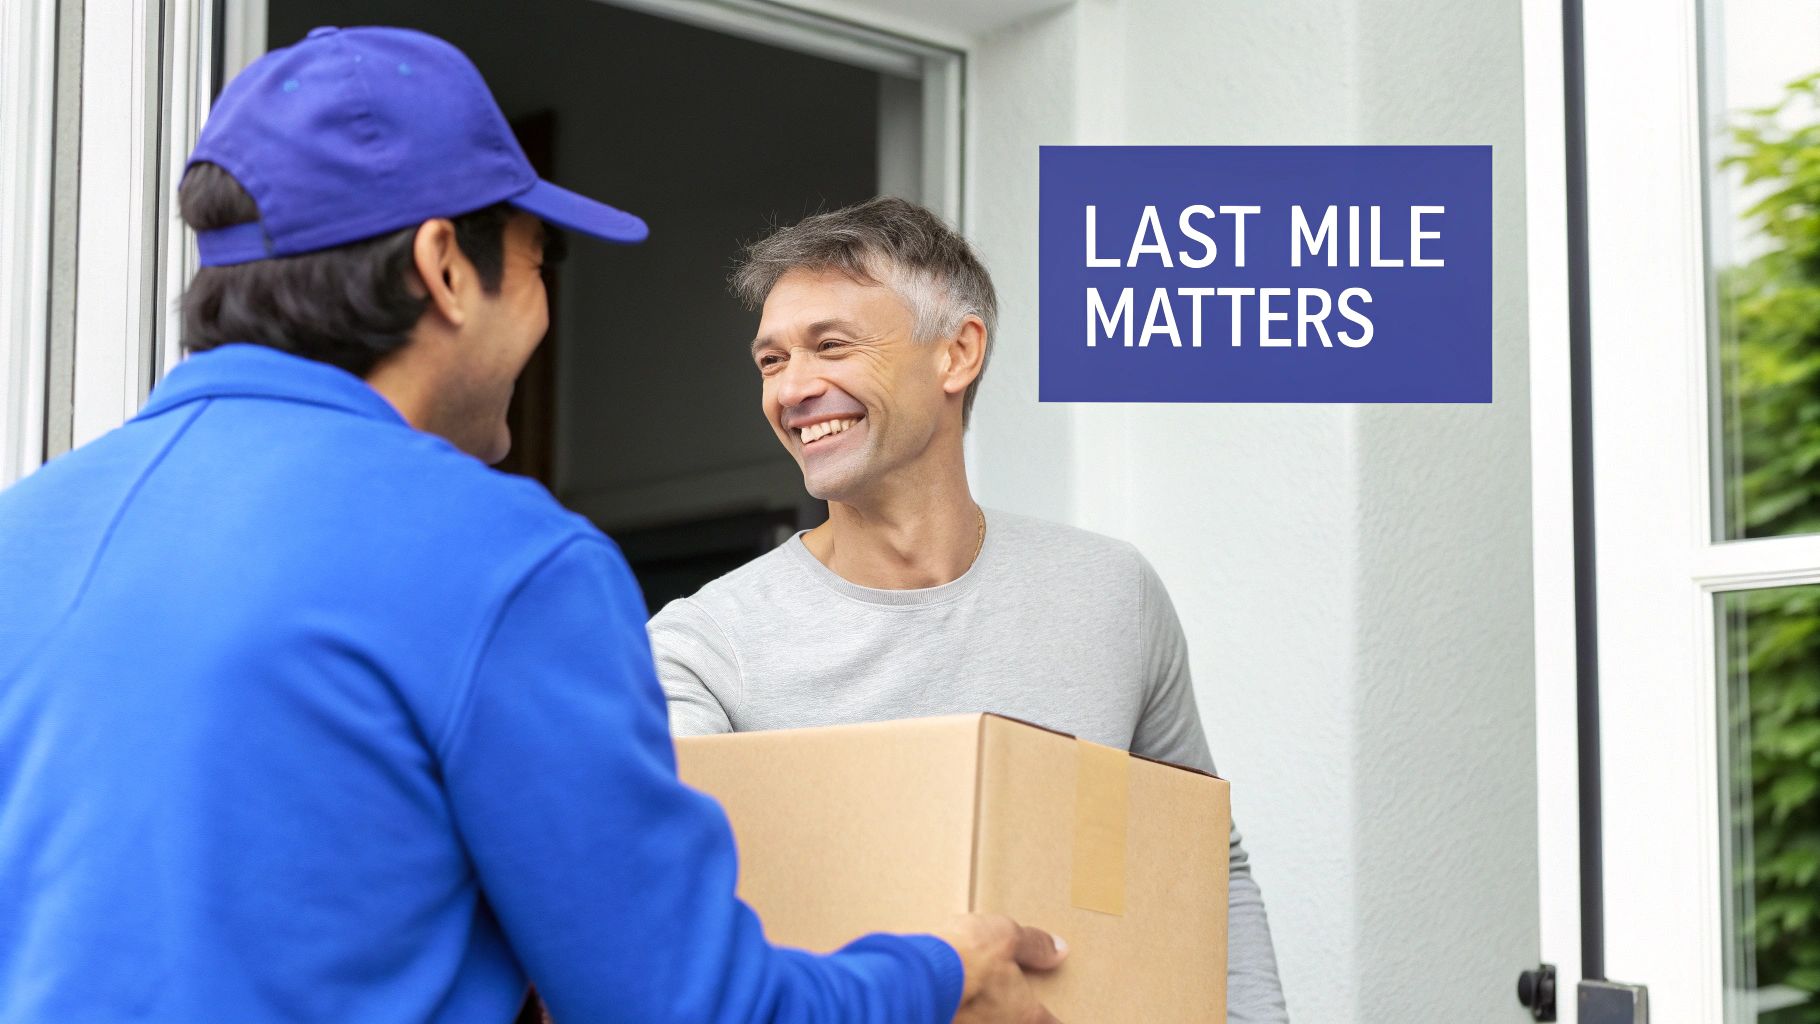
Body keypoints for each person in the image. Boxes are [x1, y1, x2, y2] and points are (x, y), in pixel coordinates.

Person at [0, 27, 1065, 1023]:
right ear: (444, 267)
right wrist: (941, 968)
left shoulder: (24, 533)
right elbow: (684, 1007)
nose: (544, 310)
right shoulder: (501, 561)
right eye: (537, 260)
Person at [650, 196, 1292, 1022]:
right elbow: (660, 920)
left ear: (957, 353)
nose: (793, 389)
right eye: (771, 361)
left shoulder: (1109, 596)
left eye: (830, 346)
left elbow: (1204, 861)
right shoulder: (703, 648)